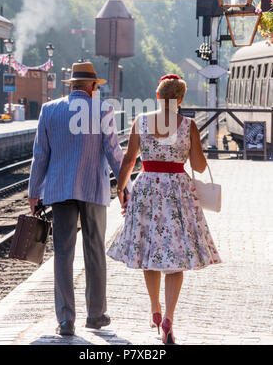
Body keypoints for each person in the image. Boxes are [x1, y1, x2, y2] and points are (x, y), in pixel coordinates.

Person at [107, 74, 221, 345]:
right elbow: (200, 166)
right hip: (177, 192)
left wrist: (121, 189)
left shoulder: (141, 121)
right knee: (175, 256)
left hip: (146, 189)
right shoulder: (188, 125)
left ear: (157, 95)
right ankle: (169, 317)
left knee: (149, 253)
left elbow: (129, 160)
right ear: (180, 99)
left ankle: (155, 310)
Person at [28, 62, 131, 336]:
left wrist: (33, 191)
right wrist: (124, 188)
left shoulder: (49, 110)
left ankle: (65, 320)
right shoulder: (103, 110)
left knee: (63, 254)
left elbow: (40, 155)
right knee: (95, 250)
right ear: (93, 87)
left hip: (60, 191)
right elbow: (114, 154)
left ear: (71, 85)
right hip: (93, 191)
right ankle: (96, 316)